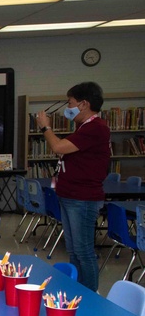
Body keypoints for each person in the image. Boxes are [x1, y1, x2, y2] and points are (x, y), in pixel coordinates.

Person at [34, 81, 111, 291]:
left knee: (83, 250)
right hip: (70, 195)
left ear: (84, 104)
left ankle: (90, 297)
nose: (68, 108)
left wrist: (46, 127)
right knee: (74, 250)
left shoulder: (96, 128)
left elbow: (59, 146)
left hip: (83, 198)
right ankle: (78, 290)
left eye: (71, 103)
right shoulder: (83, 127)